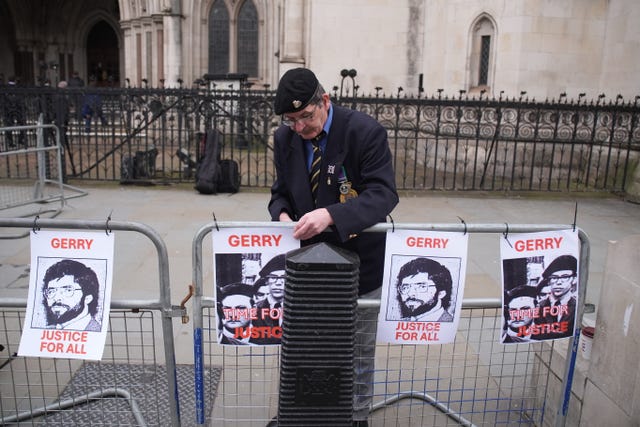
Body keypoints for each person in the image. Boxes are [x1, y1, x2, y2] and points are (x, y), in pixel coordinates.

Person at [268, 68, 398, 426]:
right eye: (290, 120)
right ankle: (303, 412)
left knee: (356, 352)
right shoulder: (285, 139)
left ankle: (356, 418)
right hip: (307, 266)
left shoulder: (364, 132)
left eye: (305, 117)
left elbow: (383, 194)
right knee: (305, 346)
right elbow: (280, 191)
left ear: (324, 101)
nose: (299, 128)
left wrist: (331, 214)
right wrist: (280, 214)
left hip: (359, 264)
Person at [41, 259, 102, 332]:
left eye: (68, 290)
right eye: (51, 291)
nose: (57, 298)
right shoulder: (45, 331)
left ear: (88, 298)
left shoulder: (96, 332)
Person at [393, 257, 454, 322]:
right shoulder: (399, 323)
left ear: (441, 293)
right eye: (405, 287)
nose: (411, 294)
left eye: (422, 287)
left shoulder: (450, 324)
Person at [532, 255, 578, 340]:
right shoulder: (539, 307)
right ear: (549, 281)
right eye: (554, 278)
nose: (558, 282)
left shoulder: (576, 306)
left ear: (574, 279)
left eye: (565, 277)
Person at [251, 254, 285, 345]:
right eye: (273, 277)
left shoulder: (298, 307)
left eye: (284, 278)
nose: (278, 283)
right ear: (266, 281)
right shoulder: (254, 309)